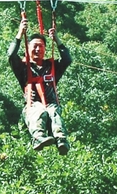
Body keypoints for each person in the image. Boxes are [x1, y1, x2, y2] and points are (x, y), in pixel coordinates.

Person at [8, 18, 72, 155]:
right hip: (33, 106)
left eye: (41, 46)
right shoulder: (23, 67)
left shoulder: (52, 67)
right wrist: (20, 33)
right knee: (39, 111)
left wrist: (57, 40)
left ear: (45, 49)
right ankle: (38, 137)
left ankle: (61, 139)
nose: (37, 49)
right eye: (34, 46)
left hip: (51, 104)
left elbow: (67, 59)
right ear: (28, 49)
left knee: (53, 113)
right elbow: (11, 54)